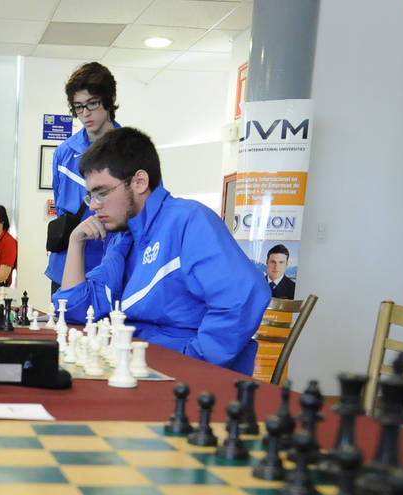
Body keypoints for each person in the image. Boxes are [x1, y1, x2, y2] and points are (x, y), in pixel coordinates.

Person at [59, 128, 268, 375]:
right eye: (90, 196)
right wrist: (76, 243)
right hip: (136, 365)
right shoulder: (123, 238)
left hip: (181, 376)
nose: (94, 205)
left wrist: (191, 363)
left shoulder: (187, 220)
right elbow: (74, 309)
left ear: (139, 182)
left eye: (102, 193)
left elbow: (244, 297)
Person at [45, 62, 121, 297]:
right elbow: (61, 208)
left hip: (112, 266)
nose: (85, 113)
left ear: (110, 100)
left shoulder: (131, 150)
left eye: (92, 103)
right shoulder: (64, 153)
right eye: (78, 107)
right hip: (66, 265)